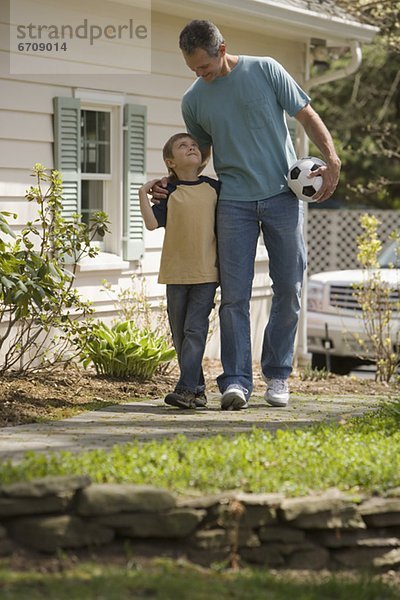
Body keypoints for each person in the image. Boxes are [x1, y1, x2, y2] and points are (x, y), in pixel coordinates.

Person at [151, 20, 341, 410]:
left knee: (288, 288)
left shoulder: (266, 69)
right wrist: (169, 182)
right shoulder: (194, 100)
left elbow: (305, 114)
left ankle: (277, 375)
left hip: (281, 196)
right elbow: (196, 159)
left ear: (222, 50)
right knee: (234, 297)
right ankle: (236, 381)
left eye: (204, 66)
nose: (200, 75)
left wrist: (333, 158)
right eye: (193, 69)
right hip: (233, 201)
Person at [139, 132, 220, 409]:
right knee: (180, 335)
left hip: (206, 273)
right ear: (170, 162)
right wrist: (142, 193)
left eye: (194, 145)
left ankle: (185, 389)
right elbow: (152, 224)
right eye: (183, 146)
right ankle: (197, 391)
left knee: (195, 331)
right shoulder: (168, 192)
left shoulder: (214, 189)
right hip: (175, 273)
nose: (191, 148)